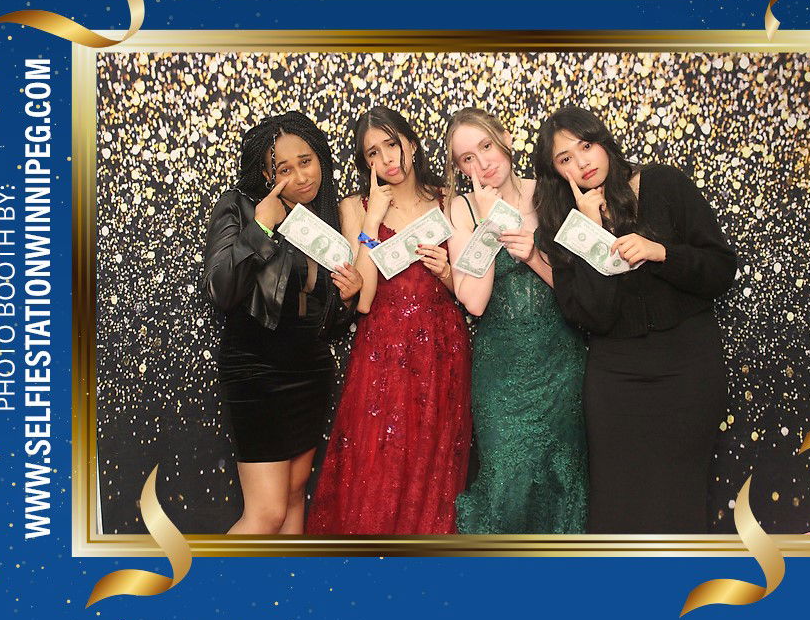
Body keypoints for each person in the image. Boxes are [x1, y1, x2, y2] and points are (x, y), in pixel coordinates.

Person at [533, 106, 737, 533]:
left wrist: (661, 253)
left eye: (586, 146)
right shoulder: (559, 225)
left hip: (687, 368)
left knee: (680, 504)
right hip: (617, 378)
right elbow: (590, 315)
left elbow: (720, 270)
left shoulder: (664, 184)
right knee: (617, 507)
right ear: (554, 171)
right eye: (566, 158)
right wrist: (592, 229)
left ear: (603, 142)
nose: (582, 162)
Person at [306, 106, 471, 535]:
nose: (386, 158)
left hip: (441, 348)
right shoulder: (355, 206)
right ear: (366, 164)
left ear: (411, 144)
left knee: (432, 467)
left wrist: (446, 273)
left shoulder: (448, 200)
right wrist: (373, 220)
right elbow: (361, 300)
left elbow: (470, 292)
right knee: (376, 461)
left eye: (392, 144)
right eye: (373, 153)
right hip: (382, 349)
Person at [204, 112, 361, 534]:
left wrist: (348, 297)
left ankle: (285, 577)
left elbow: (324, 319)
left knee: (293, 499)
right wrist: (261, 226)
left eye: (306, 161)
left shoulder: (324, 218)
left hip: (309, 373)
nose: (301, 176)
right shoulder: (240, 206)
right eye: (285, 168)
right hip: (257, 371)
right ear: (265, 173)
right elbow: (220, 290)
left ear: (320, 158)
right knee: (267, 513)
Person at [444, 107, 587, 534]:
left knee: (563, 479)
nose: (483, 163)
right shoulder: (462, 209)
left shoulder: (550, 192)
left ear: (505, 138)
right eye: (468, 158)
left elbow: (582, 288)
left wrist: (534, 255)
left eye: (486, 146)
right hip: (501, 372)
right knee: (506, 483)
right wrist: (489, 227)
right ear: (460, 168)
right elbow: (474, 302)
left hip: (560, 364)